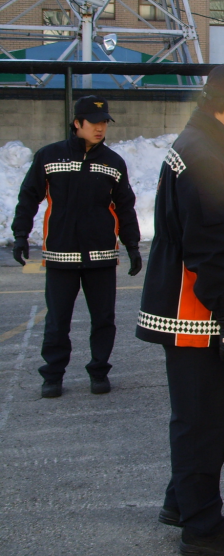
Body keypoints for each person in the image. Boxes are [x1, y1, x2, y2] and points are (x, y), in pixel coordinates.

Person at [136, 63, 224, 556]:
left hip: (192, 309)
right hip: (193, 313)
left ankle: (182, 500)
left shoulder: (199, 146)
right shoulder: (202, 156)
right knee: (204, 419)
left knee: (219, 411)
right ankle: (201, 527)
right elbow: (208, 251)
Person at [12, 95, 141, 398]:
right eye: (93, 122)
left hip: (101, 255)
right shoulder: (49, 156)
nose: (100, 128)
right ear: (77, 123)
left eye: (104, 122)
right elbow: (28, 196)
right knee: (57, 321)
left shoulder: (113, 162)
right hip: (61, 254)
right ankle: (53, 376)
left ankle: (99, 371)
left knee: (104, 320)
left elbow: (125, 207)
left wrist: (132, 245)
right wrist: (20, 234)